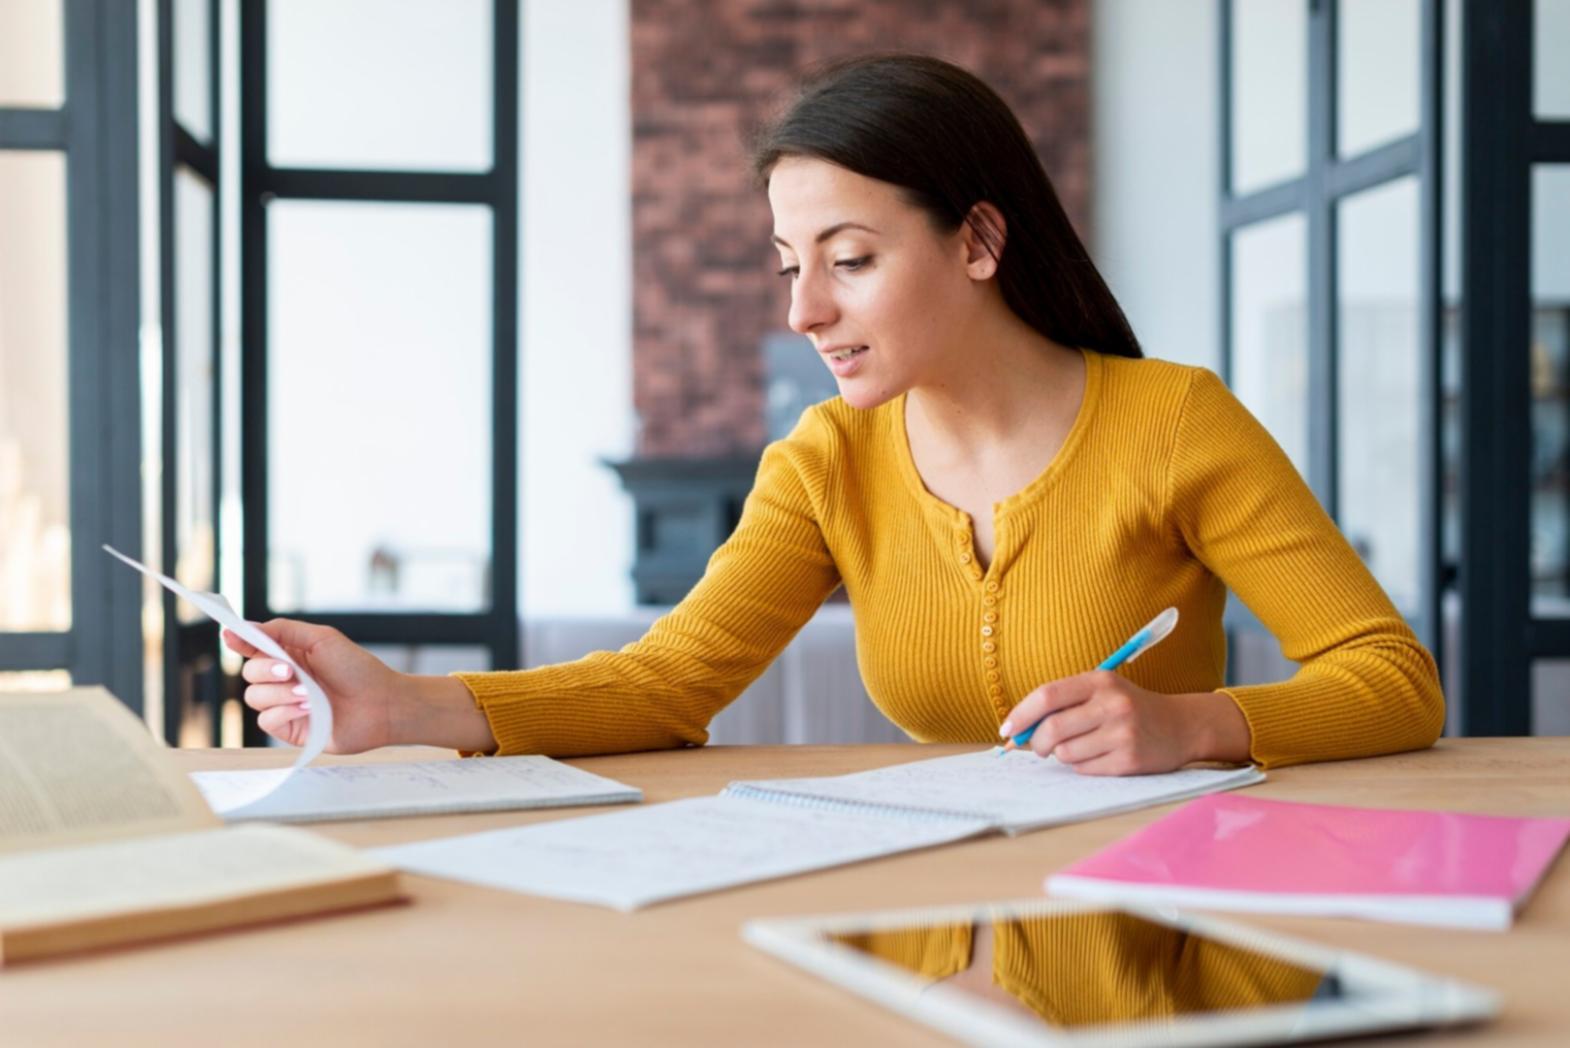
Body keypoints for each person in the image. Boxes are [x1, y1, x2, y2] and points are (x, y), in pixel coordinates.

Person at [225, 54, 1443, 774]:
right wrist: (406, 706)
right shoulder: (824, 459)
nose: (803, 308)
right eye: (783, 263)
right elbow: (670, 681)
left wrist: (1190, 724)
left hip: (1161, 919)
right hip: (930, 915)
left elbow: (1392, 679)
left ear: (977, 239)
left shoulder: (1174, 421)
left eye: (848, 258)